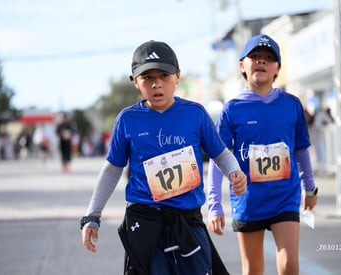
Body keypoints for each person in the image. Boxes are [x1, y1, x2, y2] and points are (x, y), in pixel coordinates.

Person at [81, 40, 247, 275]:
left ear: (177, 76)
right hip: (145, 222)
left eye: (164, 75)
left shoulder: (195, 114)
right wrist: (92, 215)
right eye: (147, 77)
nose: (156, 83)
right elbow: (112, 169)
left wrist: (234, 171)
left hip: (187, 221)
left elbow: (220, 153)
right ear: (135, 81)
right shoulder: (128, 120)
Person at [207, 34, 318, 275]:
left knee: (289, 264)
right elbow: (218, 157)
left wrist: (309, 188)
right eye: (254, 56)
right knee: (253, 270)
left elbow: (300, 148)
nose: (261, 62)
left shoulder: (291, 104)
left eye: (269, 58)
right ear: (242, 66)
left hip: (285, 197)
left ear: (277, 68)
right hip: (249, 200)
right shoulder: (232, 109)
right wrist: (214, 204)